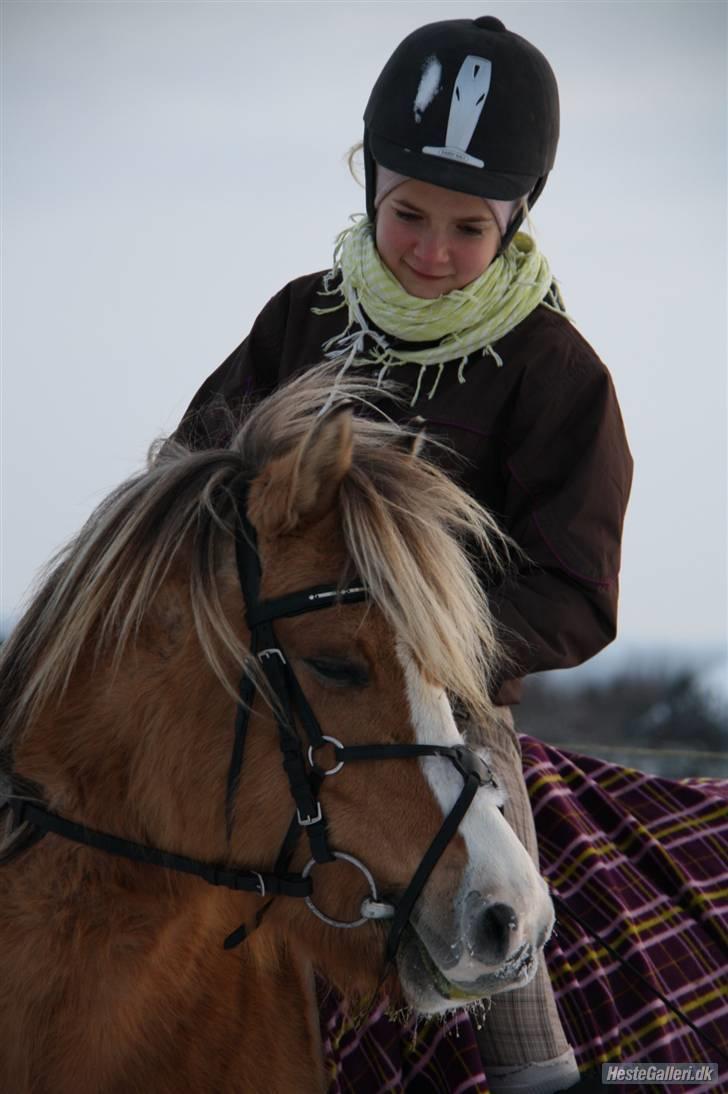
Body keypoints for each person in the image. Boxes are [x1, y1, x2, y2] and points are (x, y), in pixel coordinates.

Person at [174, 15, 632, 1093]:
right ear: (369, 185)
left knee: (489, 856)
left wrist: (428, 648)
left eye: (466, 227)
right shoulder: (303, 318)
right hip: (272, 667)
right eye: (406, 213)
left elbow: (577, 587)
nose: (429, 249)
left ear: (514, 221)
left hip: (442, 691)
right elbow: (192, 470)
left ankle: (531, 1063)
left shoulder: (553, 368)